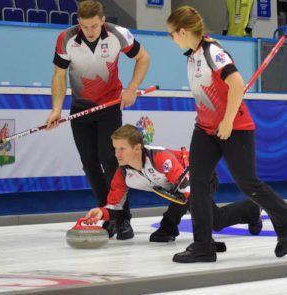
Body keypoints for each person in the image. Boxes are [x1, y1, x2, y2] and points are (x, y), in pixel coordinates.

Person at [166, 5, 287, 263]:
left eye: (172, 34)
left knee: (248, 184)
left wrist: (228, 121)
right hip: (205, 130)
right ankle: (203, 246)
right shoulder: (193, 55)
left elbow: (237, 83)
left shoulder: (213, 52)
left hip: (236, 129)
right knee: (197, 184)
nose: (171, 39)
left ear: (183, 31)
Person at [45, 1, 149, 240]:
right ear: (78, 23)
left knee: (112, 162)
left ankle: (123, 219)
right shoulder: (66, 39)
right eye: (84, 26)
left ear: (102, 21)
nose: (89, 31)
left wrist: (132, 88)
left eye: (93, 26)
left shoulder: (118, 35)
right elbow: (59, 76)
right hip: (80, 110)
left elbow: (143, 58)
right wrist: (56, 109)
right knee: (90, 164)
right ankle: (107, 215)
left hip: (109, 108)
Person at [85, 124, 262, 248]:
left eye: (122, 149)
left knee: (214, 221)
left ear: (138, 148)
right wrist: (102, 212)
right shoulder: (122, 173)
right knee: (174, 208)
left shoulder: (161, 159)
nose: (117, 154)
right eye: (115, 148)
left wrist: (201, 239)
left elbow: (188, 193)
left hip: (202, 175)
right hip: (180, 189)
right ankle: (168, 227)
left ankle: (252, 209)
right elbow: (115, 205)